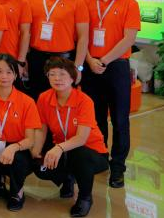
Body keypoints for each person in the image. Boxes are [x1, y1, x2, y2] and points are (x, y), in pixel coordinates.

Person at [81, 0, 140, 189]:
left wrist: (103, 60)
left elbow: (129, 38)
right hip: (90, 65)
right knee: (95, 117)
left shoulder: (129, 3)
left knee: (119, 119)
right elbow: (80, 34)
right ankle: (100, 158)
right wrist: (89, 60)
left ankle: (118, 168)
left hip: (115, 67)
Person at [32, 58, 109, 217]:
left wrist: (59, 148)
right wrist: (36, 151)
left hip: (92, 153)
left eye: (62, 74)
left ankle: (85, 198)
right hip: (64, 151)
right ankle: (68, 178)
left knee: (80, 154)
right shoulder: (44, 98)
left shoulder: (84, 101)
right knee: (40, 166)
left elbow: (81, 139)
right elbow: (41, 128)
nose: (57, 78)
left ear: (73, 78)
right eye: (52, 74)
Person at [0, 54, 40, 211]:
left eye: (9, 72)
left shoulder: (27, 102)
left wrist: (14, 147)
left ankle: (17, 192)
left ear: (16, 75)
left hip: (17, 147)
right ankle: (1, 180)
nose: (4, 76)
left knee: (18, 161)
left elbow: (30, 140)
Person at [26, 0, 89, 99]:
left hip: (64, 59)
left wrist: (78, 67)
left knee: (62, 101)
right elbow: (25, 32)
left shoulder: (76, 1)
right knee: (37, 99)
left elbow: (83, 37)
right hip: (36, 58)